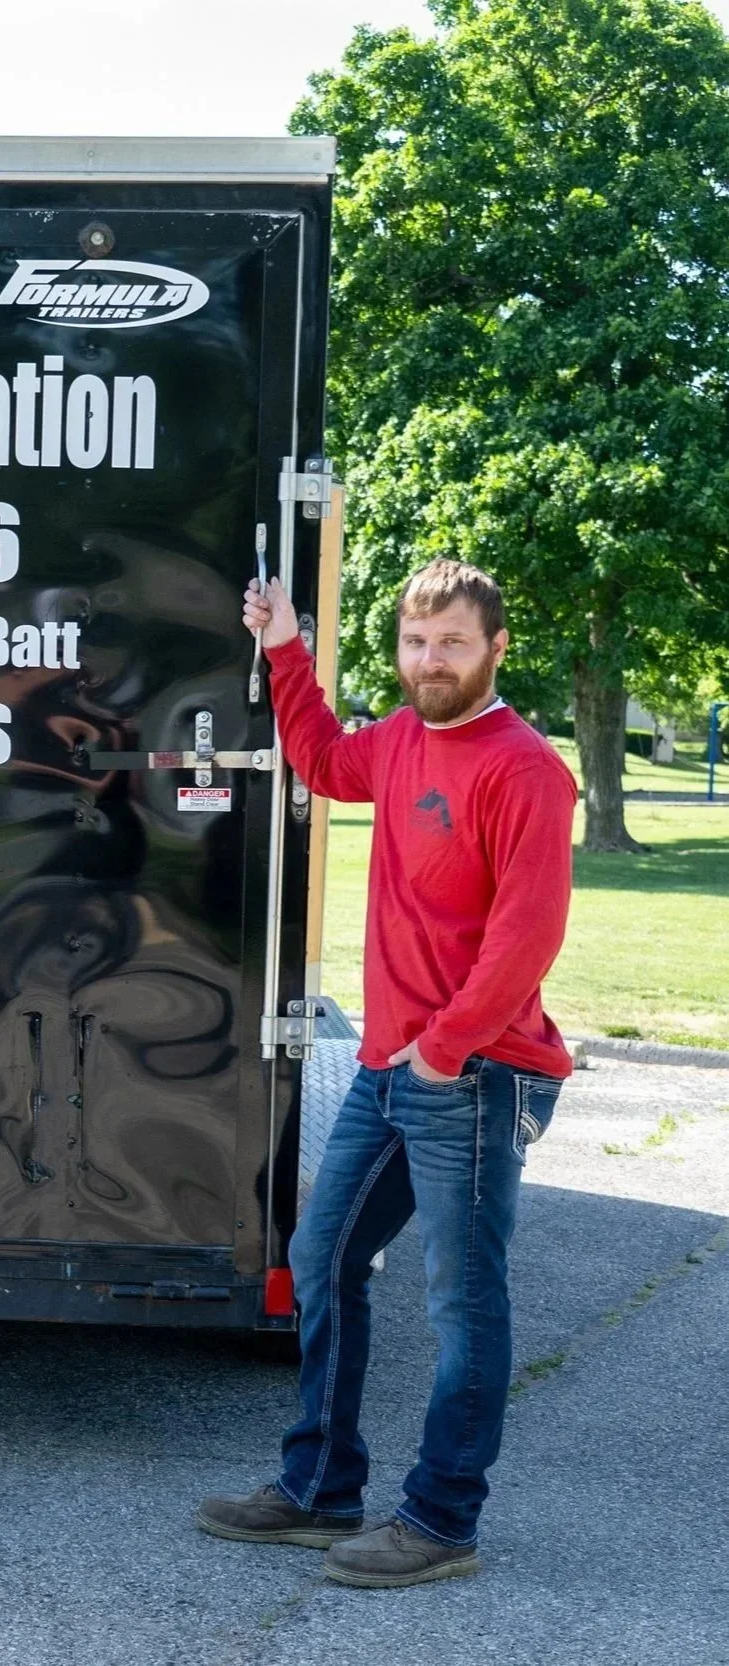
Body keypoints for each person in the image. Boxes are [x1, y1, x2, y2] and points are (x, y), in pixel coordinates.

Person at [197, 558, 577, 1589]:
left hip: (476, 1070)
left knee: (463, 1299)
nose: (430, 661)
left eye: (452, 642)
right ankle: (320, 1488)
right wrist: (283, 647)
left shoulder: (524, 766)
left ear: (495, 648)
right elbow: (321, 759)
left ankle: (441, 1519)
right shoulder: (404, 739)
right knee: (319, 1257)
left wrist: (446, 1045)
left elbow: (526, 933)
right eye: (416, 642)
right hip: (388, 1064)